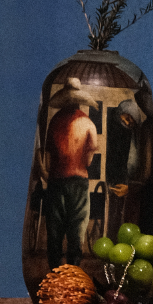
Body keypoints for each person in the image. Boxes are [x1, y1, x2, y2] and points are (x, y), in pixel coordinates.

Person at [43, 78, 100, 268]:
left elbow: (49, 156)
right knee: (77, 228)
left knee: (55, 229)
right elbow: (89, 160)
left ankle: (54, 271)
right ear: (79, 100)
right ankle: (73, 270)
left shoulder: (54, 121)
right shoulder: (88, 123)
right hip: (78, 181)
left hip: (56, 181)